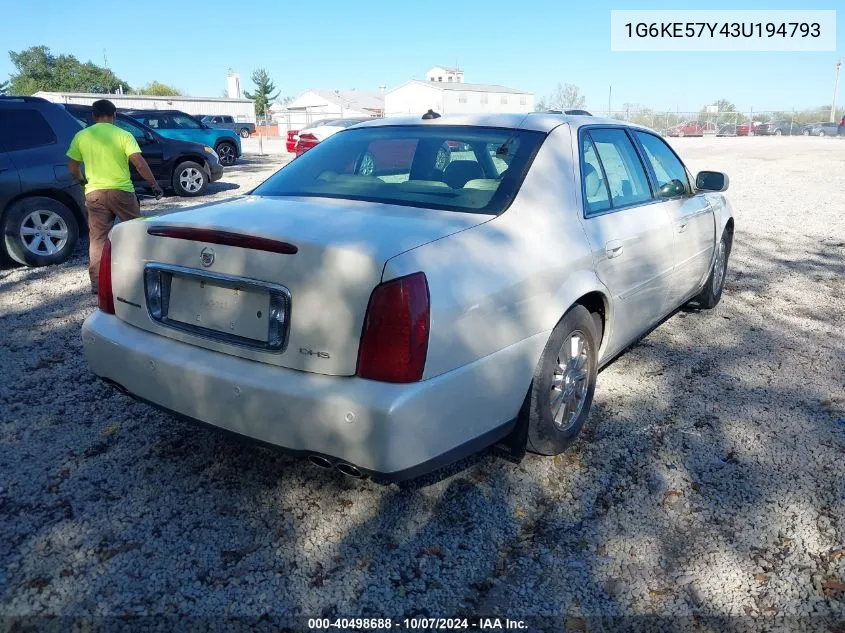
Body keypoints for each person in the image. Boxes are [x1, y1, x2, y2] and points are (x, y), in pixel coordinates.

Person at [67, 99, 163, 294]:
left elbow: (72, 167)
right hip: (123, 192)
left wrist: (81, 180)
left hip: (94, 194)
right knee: (137, 233)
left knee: (98, 239)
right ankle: (140, 277)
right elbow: (140, 163)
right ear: (115, 115)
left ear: (93, 116)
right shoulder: (123, 135)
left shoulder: (81, 136)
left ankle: (97, 284)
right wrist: (154, 185)